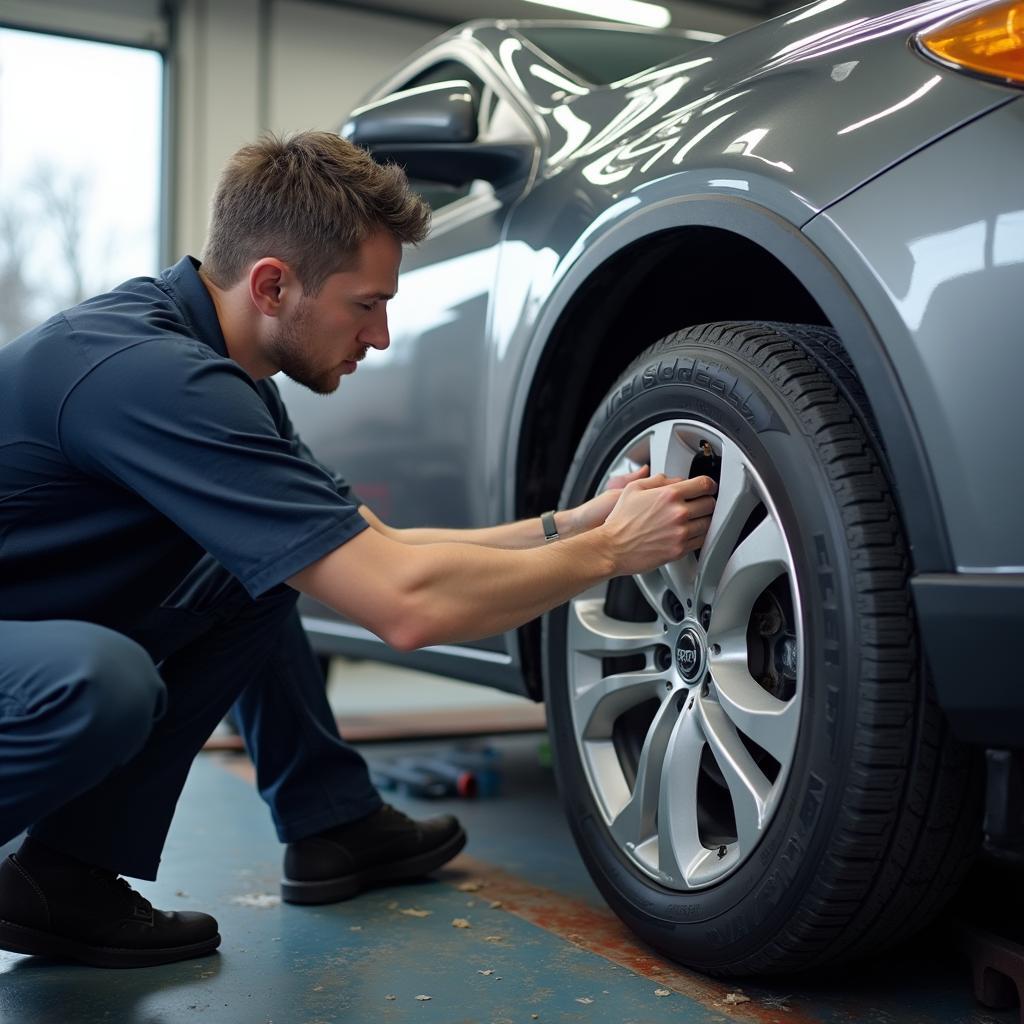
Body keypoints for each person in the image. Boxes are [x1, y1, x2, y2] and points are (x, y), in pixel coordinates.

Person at [0, 131, 717, 969]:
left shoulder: (223, 376)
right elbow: (405, 607)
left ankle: (68, 878)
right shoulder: (150, 376)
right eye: (366, 304)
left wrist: (580, 524)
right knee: (96, 684)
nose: (379, 337)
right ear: (274, 284)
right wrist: (607, 559)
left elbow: (378, 548)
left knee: (254, 576)